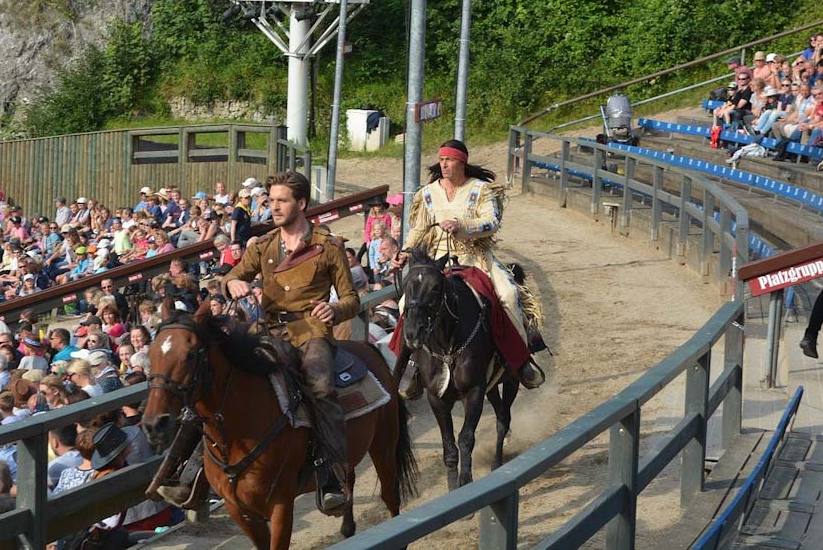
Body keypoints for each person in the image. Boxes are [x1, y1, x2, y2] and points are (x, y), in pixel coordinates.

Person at [171, 171, 354, 515]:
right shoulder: (266, 245)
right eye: (270, 201)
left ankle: (332, 477)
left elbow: (352, 299)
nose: (274, 207)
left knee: (322, 389)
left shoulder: (328, 248)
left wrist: (334, 308)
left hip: (312, 333)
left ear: (301, 203)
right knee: (218, 380)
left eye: (281, 200)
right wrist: (232, 285)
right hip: (269, 333)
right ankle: (187, 473)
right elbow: (231, 276)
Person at [393, 139, 545, 389]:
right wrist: (406, 252)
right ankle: (411, 368)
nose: (444, 165)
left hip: (475, 257)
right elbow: (419, 229)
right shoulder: (428, 193)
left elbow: (491, 222)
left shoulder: (481, 189)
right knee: (404, 305)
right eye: (441, 160)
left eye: (449, 160)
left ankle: (520, 360)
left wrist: (462, 226)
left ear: (461, 162)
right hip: (437, 260)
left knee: (508, 295)